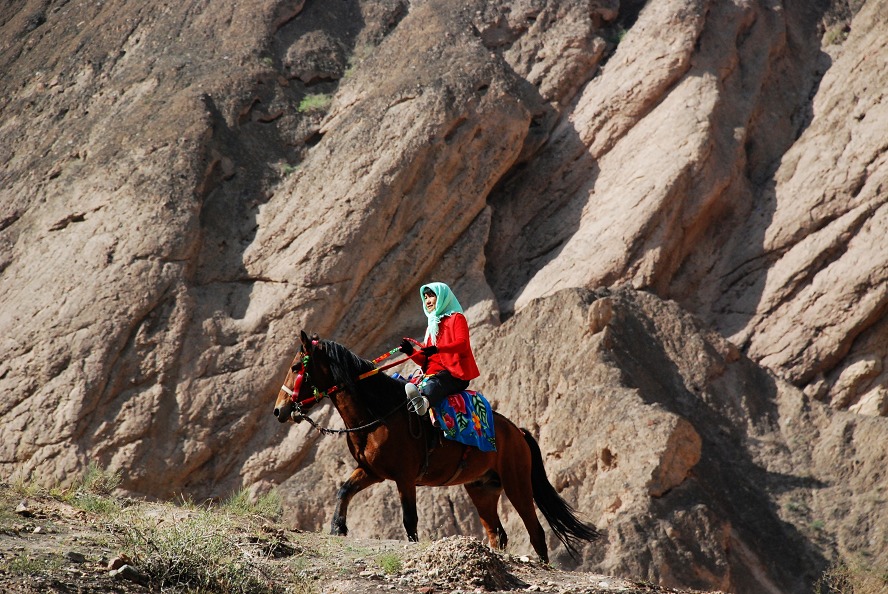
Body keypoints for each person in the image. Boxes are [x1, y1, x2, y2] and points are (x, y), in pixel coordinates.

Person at [399, 282, 480, 416]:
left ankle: (424, 402)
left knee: (437, 383)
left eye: (431, 296)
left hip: (454, 374)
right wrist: (410, 352)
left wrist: (437, 348)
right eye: (425, 298)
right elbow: (426, 361)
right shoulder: (431, 327)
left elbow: (462, 344)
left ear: (443, 297)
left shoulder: (456, 318)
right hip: (430, 374)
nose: (427, 301)